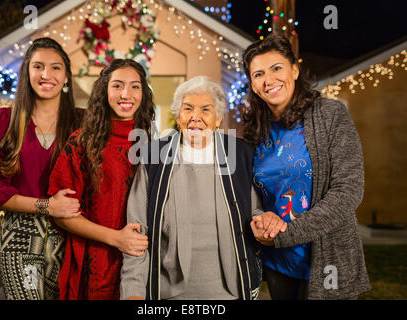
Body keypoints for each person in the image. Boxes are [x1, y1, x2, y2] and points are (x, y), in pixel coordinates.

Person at [242, 34, 371, 300]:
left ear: (295, 70)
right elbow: (253, 192)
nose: (269, 80)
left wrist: (286, 234)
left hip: (327, 261)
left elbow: (348, 191)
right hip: (278, 263)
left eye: (277, 68)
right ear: (253, 85)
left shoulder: (330, 115)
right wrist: (261, 219)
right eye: (258, 74)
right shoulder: (256, 130)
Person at [120, 75, 264, 300]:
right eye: (188, 109)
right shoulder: (153, 157)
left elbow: (256, 213)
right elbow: (136, 233)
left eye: (206, 110)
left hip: (232, 293)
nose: (195, 117)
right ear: (178, 116)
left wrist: (264, 222)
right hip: (168, 294)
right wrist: (133, 293)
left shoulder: (241, 154)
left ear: (218, 119)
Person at [0, 37, 83, 300]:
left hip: (71, 236)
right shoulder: (4, 121)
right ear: (27, 72)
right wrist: (47, 206)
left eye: (55, 67)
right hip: (19, 238)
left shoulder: (83, 122)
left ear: (67, 76)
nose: (46, 74)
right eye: (38, 66)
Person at [47, 59, 154, 300]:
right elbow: (62, 215)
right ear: (104, 91)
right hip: (95, 263)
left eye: (135, 86)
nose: (126, 94)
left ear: (143, 94)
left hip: (142, 262)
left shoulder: (153, 144)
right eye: (117, 85)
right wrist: (117, 238)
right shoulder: (82, 142)